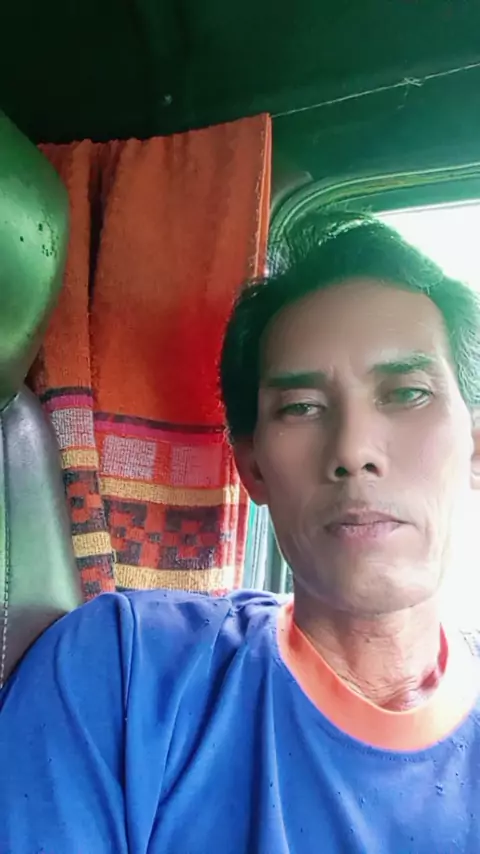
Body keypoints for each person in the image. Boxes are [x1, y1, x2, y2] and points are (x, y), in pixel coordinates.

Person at [1, 210, 480, 853]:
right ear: (252, 467)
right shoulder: (123, 673)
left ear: (475, 447)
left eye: (407, 394)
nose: (354, 450)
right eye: (302, 407)